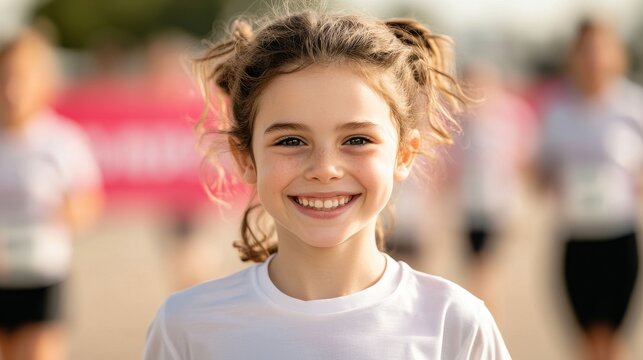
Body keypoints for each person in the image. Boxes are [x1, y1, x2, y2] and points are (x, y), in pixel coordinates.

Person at [144, 10, 511, 359]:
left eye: (356, 140)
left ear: (404, 155)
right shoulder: (187, 326)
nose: (325, 169)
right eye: (290, 141)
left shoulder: (455, 323)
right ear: (245, 158)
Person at [537, 18, 643, 360]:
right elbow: (541, 174)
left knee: (611, 341)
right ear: (574, 56)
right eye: (585, 51)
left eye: (599, 50)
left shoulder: (633, 105)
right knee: (585, 343)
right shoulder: (558, 110)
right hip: (575, 237)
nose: (593, 59)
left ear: (615, 55)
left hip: (619, 236)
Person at [0, 28, 103, 360]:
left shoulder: (62, 140)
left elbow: (90, 204)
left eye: (20, 77)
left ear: (42, 81)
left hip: (42, 276)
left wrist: (67, 211)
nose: (11, 89)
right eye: (4, 77)